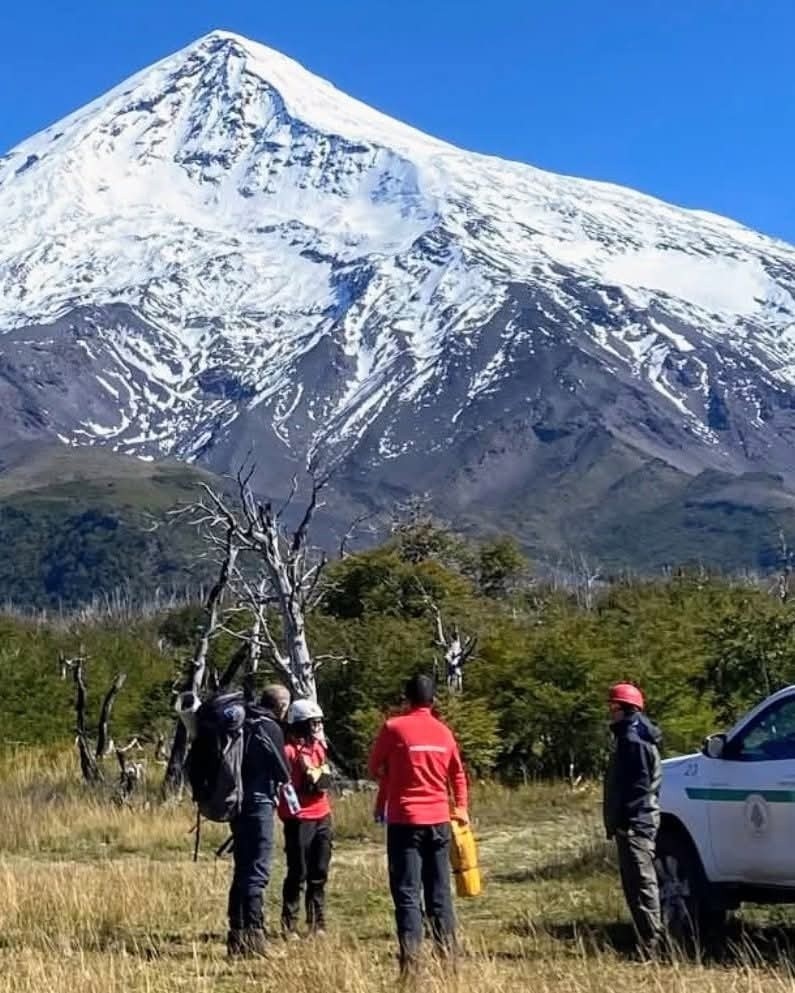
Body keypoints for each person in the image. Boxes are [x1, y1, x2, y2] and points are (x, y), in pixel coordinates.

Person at [368, 674, 468, 974]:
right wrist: (461, 808)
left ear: (406, 698)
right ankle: (449, 959)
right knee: (439, 891)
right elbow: (458, 775)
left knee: (407, 893)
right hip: (439, 820)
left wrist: (392, 773)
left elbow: (373, 766)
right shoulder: (444, 732)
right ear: (433, 700)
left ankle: (411, 964)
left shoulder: (393, 727)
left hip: (405, 821)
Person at [227, 683, 291, 958]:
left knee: (242, 868)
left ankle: (236, 935)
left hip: (236, 803)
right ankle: (255, 936)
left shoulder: (242, 724)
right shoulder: (269, 727)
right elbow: (283, 771)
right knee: (257, 870)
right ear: (282, 705)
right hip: (259, 802)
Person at [603, 682, 664, 959]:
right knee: (636, 884)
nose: (610, 711)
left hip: (636, 822)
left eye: (613, 706)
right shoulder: (631, 735)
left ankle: (652, 945)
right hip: (635, 820)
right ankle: (646, 942)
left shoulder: (633, 739)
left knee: (641, 884)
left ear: (626, 708)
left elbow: (639, 787)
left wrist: (629, 822)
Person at [279, 698, 334, 939]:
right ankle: (289, 924)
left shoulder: (319, 747)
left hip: (322, 814)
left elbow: (323, 778)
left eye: (318, 722)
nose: (317, 727)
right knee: (298, 872)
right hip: (298, 817)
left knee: (319, 871)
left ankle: (317, 922)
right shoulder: (288, 751)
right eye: (313, 723)